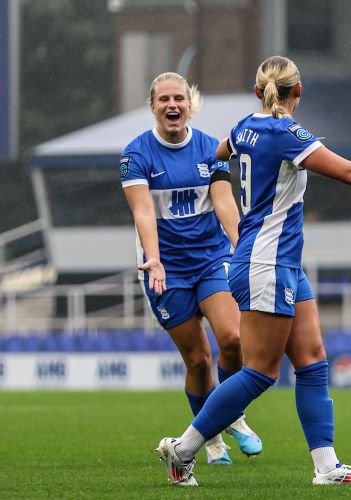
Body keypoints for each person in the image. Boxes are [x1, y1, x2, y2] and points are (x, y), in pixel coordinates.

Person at [155, 55, 351, 487]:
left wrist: (223, 194)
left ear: (258, 91)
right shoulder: (287, 132)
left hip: (280, 261)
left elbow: (216, 159)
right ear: (299, 91)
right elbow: (350, 172)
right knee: (260, 372)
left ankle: (327, 468)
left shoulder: (242, 127)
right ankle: (182, 451)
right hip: (267, 262)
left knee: (312, 362)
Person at [120, 72, 263, 465]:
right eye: (164, 99)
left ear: (189, 103)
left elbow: (224, 202)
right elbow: (144, 212)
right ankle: (211, 438)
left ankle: (234, 415)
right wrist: (155, 259)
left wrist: (242, 247)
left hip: (211, 259)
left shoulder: (209, 148)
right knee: (198, 360)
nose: (172, 105)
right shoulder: (136, 155)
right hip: (165, 268)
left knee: (233, 339)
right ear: (153, 106)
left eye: (179, 98)